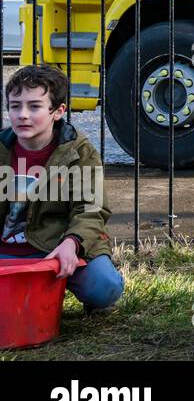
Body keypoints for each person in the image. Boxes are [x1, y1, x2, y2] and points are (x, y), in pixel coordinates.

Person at [0, 65, 123, 313]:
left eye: (34, 106)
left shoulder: (79, 152)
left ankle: (64, 283)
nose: (22, 114)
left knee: (104, 287)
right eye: (15, 106)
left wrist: (72, 242)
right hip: (6, 252)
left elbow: (91, 208)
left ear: (58, 111)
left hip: (56, 247)